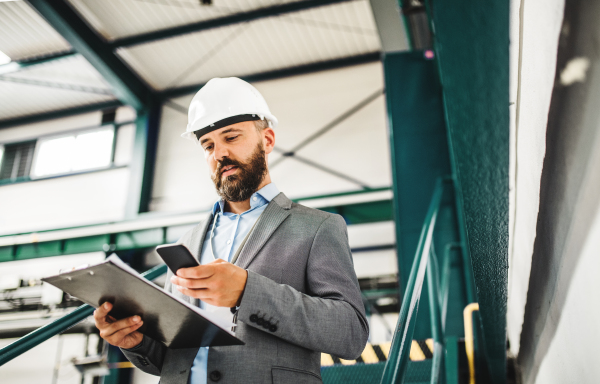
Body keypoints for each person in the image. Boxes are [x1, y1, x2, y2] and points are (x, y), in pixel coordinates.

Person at [93, 77, 368, 383]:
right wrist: (136, 341)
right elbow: (173, 360)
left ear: (268, 140)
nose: (219, 153)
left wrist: (248, 291)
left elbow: (351, 334)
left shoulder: (318, 227)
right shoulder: (188, 242)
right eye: (208, 145)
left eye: (231, 137)